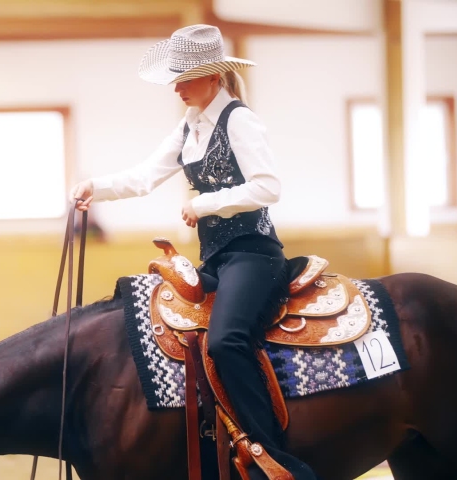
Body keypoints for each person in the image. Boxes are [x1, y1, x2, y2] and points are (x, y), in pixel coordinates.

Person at [70, 25, 317, 480]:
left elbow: (269, 187)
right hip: (218, 259)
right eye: (174, 78)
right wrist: (96, 187)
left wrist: (202, 203)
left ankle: (273, 459)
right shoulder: (188, 125)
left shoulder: (240, 120)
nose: (177, 87)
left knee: (226, 340)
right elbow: (146, 176)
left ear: (213, 77)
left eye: (184, 77)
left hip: (253, 254)